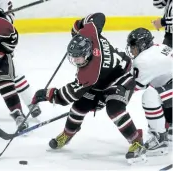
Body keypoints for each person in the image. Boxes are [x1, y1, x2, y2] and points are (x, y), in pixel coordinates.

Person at [31, 13, 146, 164]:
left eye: (78, 58)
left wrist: (48, 95)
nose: (75, 61)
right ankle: (67, 134)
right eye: (73, 57)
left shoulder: (90, 73)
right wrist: (79, 26)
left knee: (114, 109)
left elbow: (68, 95)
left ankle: (136, 141)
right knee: (79, 106)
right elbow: (98, 17)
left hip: (121, 78)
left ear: (87, 54)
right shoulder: (90, 34)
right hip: (101, 80)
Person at [126, 27, 172, 155]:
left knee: (150, 96)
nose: (131, 50)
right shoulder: (158, 47)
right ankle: (170, 123)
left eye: (133, 46)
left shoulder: (142, 60)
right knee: (160, 88)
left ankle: (160, 138)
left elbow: (133, 88)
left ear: (142, 45)